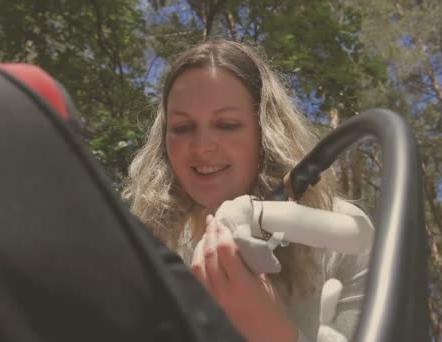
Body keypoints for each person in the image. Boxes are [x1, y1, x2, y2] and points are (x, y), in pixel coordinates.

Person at [123, 39, 372, 342]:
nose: (202, 147)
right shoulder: (158, 255)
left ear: (265, 133)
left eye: (227, 124)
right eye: (183, 128)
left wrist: (272, 333)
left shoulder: (339, 237)